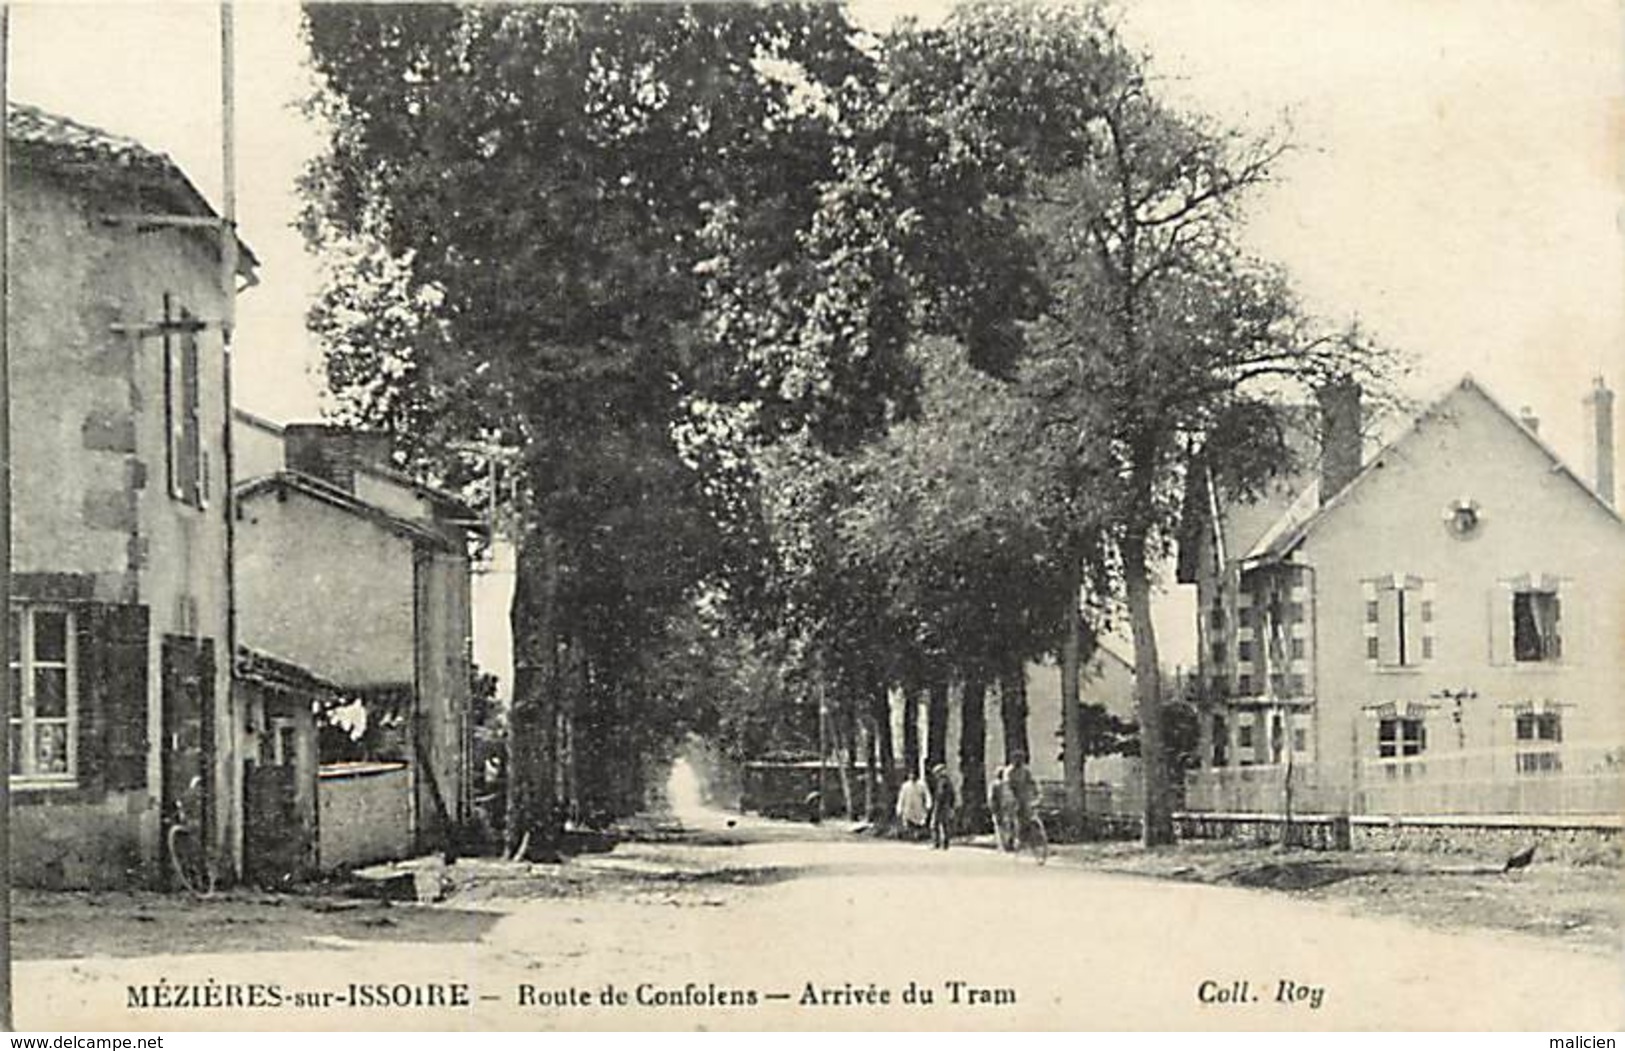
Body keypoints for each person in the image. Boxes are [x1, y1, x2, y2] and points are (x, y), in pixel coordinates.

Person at [1005, 756, 1040, 849]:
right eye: (1016, 759)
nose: (1019, 762)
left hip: (1024, 796)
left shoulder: (1025, 771)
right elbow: (1007, 785)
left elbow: (1031, 782)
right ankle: (1013, 838)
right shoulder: (1009, 771)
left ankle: (1028, 837)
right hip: (1012, 796)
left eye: (1020, 760)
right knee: (1015, 817)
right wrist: (1012, 797)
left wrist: (1036, 792)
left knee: (1028, 815)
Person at [927, 763, 958, 850]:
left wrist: (937, 804)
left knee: (934, 824)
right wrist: (951, 806)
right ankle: (945, 843)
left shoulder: (942, 782)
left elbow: (940, 794)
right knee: (944, 824)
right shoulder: (948, 781)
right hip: (946, 805)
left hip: (940, 805)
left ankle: (936, 843)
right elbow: (952, 795)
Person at [895, 770, 930, 840]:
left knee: (919, 822)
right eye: (911, 775)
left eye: (913, 775)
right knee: (909, 821)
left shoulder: (922, 785)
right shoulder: (905, 786)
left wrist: (928, 804)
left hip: (918, 807)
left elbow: (927, 795)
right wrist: (899, 808)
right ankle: (911, 835)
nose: (912, 776)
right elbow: (901, 798)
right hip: (908, 808)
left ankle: (917, 835)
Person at [987, 764, 1014, 852]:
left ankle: (1003, 845)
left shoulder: (995, 785)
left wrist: (992, 808)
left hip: (999, 808)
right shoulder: (1006, 784)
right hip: (1006, 808)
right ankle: (1007, 843)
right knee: (1007, 826)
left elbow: (991, 798)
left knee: (1000, 827)